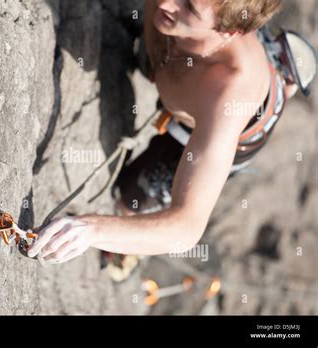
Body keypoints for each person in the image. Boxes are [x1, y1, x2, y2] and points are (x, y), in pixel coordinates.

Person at [27, 0, 316, 277]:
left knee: (132, 200)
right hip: (188, 64)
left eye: (189, 5)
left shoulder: (228, 96)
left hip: (234, 124)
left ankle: (124, 255)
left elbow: (186, 228)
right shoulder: (182, 15)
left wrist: (90, 230)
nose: (166, 3)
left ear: (226, 32)